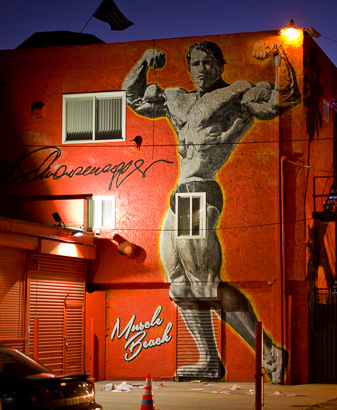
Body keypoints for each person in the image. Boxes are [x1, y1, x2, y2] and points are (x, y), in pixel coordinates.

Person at [123, 39, 300, 382]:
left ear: (221, 65)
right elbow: (131, 98)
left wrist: (280, 57)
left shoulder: (238, 93)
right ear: (189, 67)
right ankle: (208, 360)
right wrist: (145, 60)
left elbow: (282, 98)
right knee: (179, 286)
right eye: (196, 63)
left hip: (200, 191)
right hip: (180, 196)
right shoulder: (177, 98)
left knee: (204, 284)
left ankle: (269, 354)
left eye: (209, 62)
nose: (202, 69)